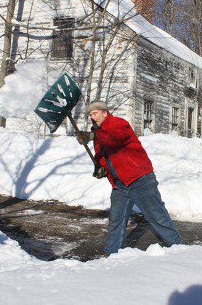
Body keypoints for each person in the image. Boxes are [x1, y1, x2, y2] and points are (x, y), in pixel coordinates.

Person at [76, 100, 182, 255]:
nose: (93, 117)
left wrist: (92, 136)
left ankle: (178, 248)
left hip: (140, 179)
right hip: (119, 184)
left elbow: (113, 139)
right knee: (116, 222)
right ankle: (111, 255)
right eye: (90, 115)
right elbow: (106, 156)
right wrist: (101, 168)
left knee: (157, 216)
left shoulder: (118, 124)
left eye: (95, 113)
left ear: (105, 112)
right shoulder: (99, 133)